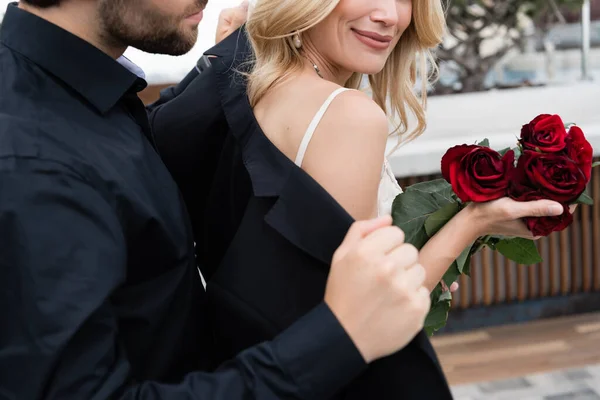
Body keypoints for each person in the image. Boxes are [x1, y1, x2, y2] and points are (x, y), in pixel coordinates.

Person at [0, 1, 434, 399]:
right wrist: (342, 337)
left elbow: (145, 164)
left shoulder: (83, 100)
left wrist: (237, 50)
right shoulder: (34, 160)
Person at [151, 1, 569, 399]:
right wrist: (473, 223)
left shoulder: (248, 83)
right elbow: (362, 318)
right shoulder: (347, 115)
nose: (389, 15)